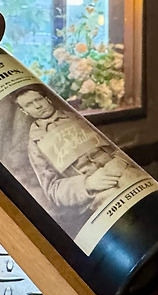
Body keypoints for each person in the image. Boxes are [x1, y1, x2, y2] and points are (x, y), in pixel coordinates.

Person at [15, 88, 135, 234]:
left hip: (119, 170)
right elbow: (52, 189)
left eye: (38, 99)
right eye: (29, 105)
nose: (37, 106)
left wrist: (120, 161)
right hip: (94, 195)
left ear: (47, 99)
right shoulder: (35, 143)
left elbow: (114, 144)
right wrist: (87, 183)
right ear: (24, 111)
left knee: (133, 180)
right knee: (121, 207)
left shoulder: (76, 117)